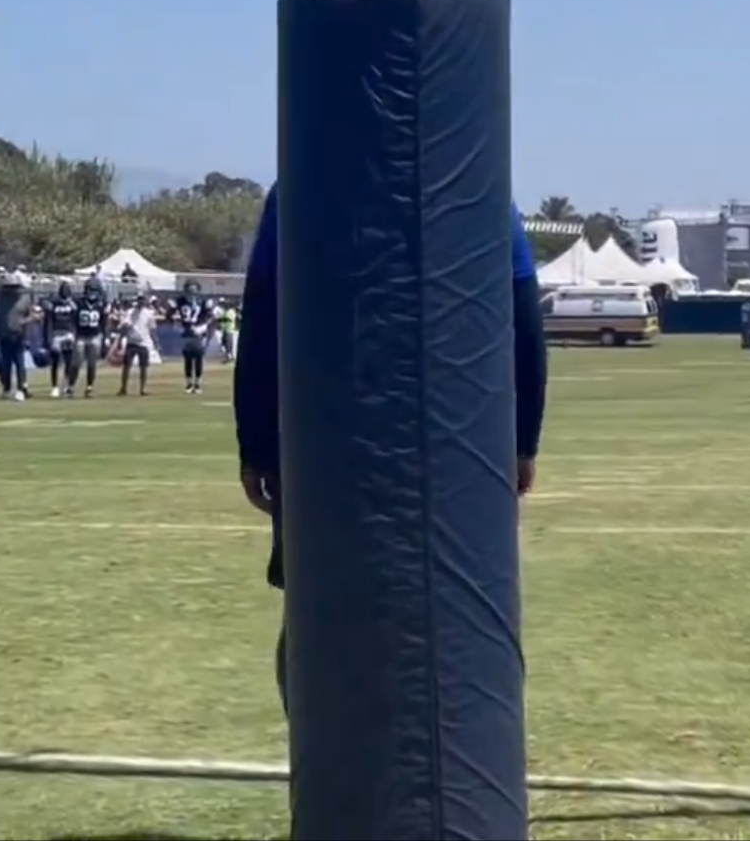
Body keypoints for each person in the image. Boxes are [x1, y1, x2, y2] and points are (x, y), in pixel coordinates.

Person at [233, 186, 548, 710]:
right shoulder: (478, 181)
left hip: (323, 442)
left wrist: (256, 446)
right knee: (463, 611)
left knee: (316, 615)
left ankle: (322, 751)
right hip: (453, 440)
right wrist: (522, 442)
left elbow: (262, 317)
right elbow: (524, 320)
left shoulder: (298, 184)